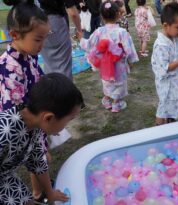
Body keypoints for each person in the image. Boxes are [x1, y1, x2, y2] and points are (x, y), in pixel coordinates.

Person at [0, 73, 84, 205]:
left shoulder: (35, 125)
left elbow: (38, 161)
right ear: (49, 118)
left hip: (5, 175)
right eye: (69, 120)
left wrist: (50, 193)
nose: (66, 126)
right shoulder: (5, 131)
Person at [0, 0, 54, 203]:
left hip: (34, 119)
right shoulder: (8, 66)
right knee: (40, 157)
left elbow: (39, 82)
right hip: (21, 127)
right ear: (14, 35)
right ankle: (37, 193)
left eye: (44, 39)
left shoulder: (29, 55)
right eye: (38, 39)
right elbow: (18, 109)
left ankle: (39, 191)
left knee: (41, 157)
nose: (42, 45)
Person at [80, 0, 138, 112]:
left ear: (101, 16)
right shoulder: (122, 32)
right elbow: (128, 49)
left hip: (105, 64)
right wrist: (131, 61)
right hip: (119, 64)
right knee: (119, 83)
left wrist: (81, 39)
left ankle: (107, 100)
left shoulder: (99, 31)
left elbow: (89, 44)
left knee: (107, 81)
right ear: (117, 14)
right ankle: (116, 104)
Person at [151, 3, 178, 125]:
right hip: (167, 85)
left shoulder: (175, 38)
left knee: (173, 107)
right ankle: (159, 128)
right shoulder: (161, 45)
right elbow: (165, 68)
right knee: (163, 108)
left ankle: (170, 124)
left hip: (176, 82)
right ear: (165, 25)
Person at [38, 0, 83, 80]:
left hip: (38, 20)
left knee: (48, 62)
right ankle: (64, 90)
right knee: (63, 63)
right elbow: (73, 13)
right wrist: (79, 30)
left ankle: (50, 88)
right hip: (56, 21)